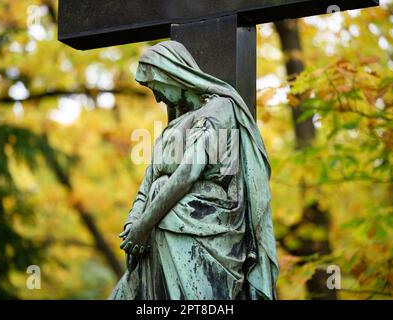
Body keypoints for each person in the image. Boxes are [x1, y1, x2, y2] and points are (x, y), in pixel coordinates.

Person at [110, 40, 278, 300]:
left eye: (156, 87)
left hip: (202, 228)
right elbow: (148, 183)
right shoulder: (172, 128)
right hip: (162, 231)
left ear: (172, 74)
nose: (156, 97)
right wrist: (133, 223)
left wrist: (143, 225)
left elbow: (188, 173)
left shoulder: (220, 108)